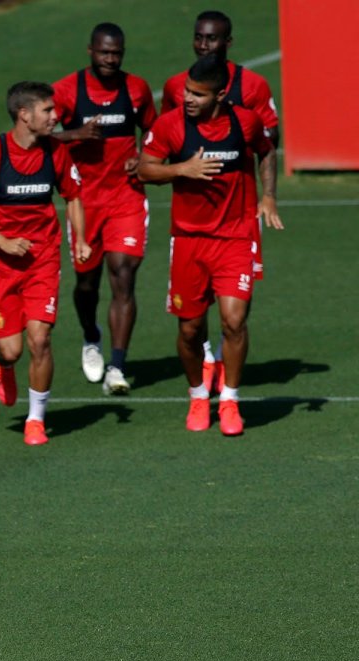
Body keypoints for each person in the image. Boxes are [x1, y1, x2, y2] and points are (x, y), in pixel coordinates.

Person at [138, 53, 281, 436]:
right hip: (188, 241)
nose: (188, 98)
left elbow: (267, 153)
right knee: (190, 330)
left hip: (235, 237)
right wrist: (181, 169)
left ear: (220, 95)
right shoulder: (170, 126)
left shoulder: (245, 122)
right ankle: (199, 394)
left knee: (234, 322)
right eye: (186, 90)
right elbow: (144, 168)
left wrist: (268, 196)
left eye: (198, 94)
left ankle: (230, 400)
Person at [0, 81, 87, 445]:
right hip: (0, 266)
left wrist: (83, 239)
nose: (55, 116)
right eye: (47, 111)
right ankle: (3, 365)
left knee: (40, 339)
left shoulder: (55, 152)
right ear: (24, 115)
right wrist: (3, 242)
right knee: (12, 349)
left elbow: (73, 196)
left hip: (43, 260)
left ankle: (35, 418)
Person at [160, 10, 281, 392]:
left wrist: (267, 196)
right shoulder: (177, 87)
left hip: (237, 219)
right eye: (199, 37)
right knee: (192, 320)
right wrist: (181, 169)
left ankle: (228, 391)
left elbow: (268, 143)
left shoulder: (253, 88)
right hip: (191, 225)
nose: (203, 44)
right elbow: (167, 143)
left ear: (228, 43)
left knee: (235, 314)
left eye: (212, 39)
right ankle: (206, 362)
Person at [51, 23, 157, 394]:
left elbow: (155, 130)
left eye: (117, 53)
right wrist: (75, 135)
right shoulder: (67, 91)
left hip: (127, 197)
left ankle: (117, 366)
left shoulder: (137, 88)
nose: (111, 59)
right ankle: (90, 335)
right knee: (86, 284)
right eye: (104, 53)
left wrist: (145, 157)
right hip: (83, 202)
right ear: (90, 51)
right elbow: (36, 135)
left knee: (123, 275)